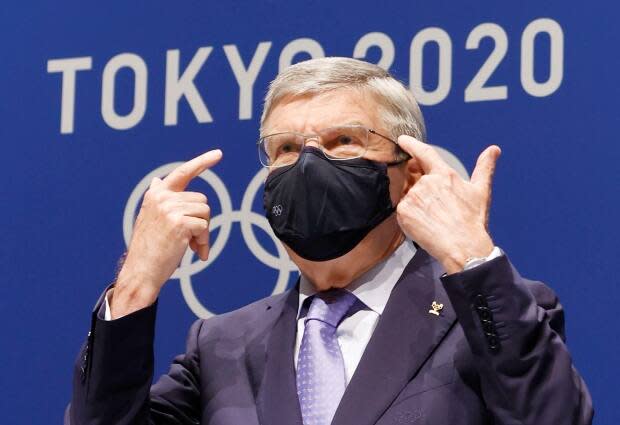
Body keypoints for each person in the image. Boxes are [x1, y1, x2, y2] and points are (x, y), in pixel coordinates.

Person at [68, 57, 593, 425]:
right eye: (288, 148)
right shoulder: (222, 345)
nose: (310, 165)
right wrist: (136, 283)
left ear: (409, 173)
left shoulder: (488, 312)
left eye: (343, 141)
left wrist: (470, 257)